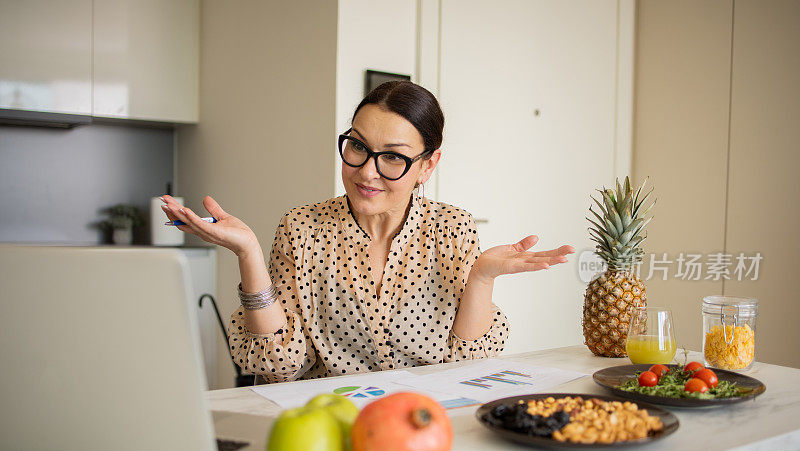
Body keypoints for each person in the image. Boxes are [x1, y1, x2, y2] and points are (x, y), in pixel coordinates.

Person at [161, 81, 574, 383]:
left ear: (428, 166)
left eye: (393, 157)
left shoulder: (453, 228)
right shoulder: (301, 227)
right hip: (327, 429)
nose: (366, 171)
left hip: (424, 423)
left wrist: (482, 277)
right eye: (357, 146)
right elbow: (279, 365)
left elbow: (465, 364)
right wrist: (248, 253)